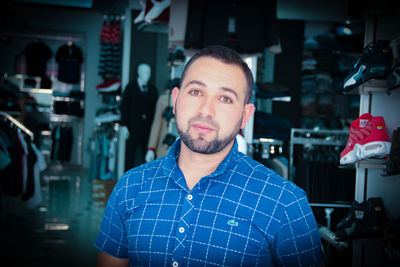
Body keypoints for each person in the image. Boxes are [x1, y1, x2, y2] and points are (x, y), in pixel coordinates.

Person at [95, 45, 325, 266]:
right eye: (196, 92)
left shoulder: (284, 202)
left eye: (225, 98)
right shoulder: (130, 187)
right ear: (175, 101)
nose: (206, 110)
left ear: (245, 115)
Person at [120, 63, 158, 170]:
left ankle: (147, 181)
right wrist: (124, 125)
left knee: (147, 155)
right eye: (145, 72)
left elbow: (154, 109)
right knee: (130, 155)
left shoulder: (152, 89)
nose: (148, 75)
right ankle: (127, 179)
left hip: (147, 129)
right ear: (139, 73)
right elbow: (124, 106)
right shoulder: (130, 87)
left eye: (149, 73)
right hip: (133, 127)